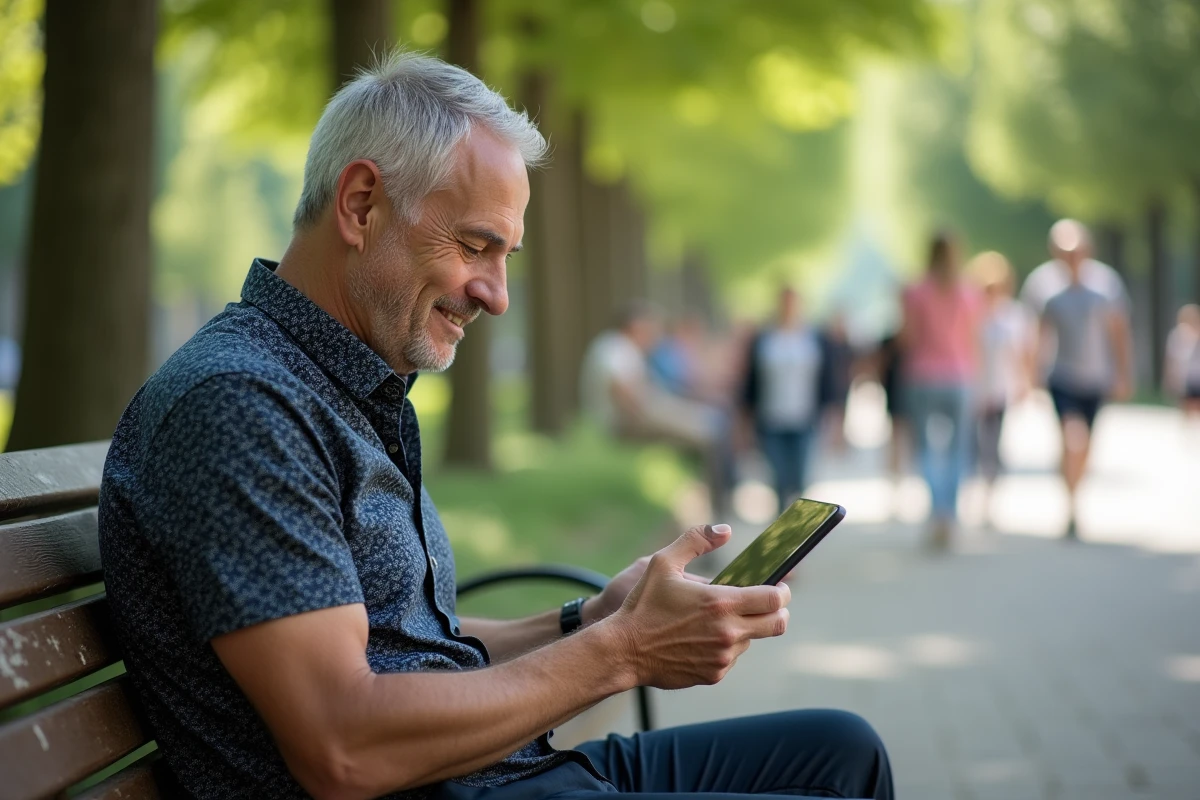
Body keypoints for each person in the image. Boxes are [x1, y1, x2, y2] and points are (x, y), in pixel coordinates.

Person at [98, 53, 892, 800]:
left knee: (842, 750)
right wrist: (624, 653)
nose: (496, 294)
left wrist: (590, 620)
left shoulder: (336, 383)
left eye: (507, 254)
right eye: (477, 246)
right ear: (360, 204)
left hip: (493, 774)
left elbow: (400, 643)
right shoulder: (240, 405)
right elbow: (343, 745)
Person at [582, 302, 732, 517]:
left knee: (709, 426)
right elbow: (624, 395)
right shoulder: (615, 347)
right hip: (626, 422)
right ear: (634, 326)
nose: (653, 336)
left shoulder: (621, 348)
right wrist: (661, 414)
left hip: (639, 415)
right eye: (649, 329)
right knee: (708, 432)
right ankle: (716, 508)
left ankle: (707, 503)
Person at [1035, 223, 1133, 539]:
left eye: (1076, 252)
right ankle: (1071, 507)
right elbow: (1039, 334)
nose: (1072, 258)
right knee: (1071, 437)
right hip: (1062, 377)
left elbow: (1119, 332)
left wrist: (1123, 373)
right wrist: (1032, 374)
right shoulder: (1044, 286)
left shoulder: (1107, 284)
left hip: (1096, 378)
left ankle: (1074, 494)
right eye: (1065, 253)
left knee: (1085, 445)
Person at [899, 232, 982, 550]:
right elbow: (973, 339)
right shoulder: (969, 292)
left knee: (926, 450)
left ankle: (937, 512)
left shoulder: (914, 291)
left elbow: (907, 338)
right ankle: (950, 513)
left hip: (921, 376)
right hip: (959, 377)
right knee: (957, 450)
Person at [741, 287, 831, 514]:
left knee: (800, 474)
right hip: (771, 417)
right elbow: (750, 380)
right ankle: (781, 516)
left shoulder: (814, 338)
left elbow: (828, 378)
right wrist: (745, 417)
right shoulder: (764, 339)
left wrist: (833, 414)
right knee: (778, 474)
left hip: (804, 416)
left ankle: (796, 518)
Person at [968, 251, 1032, 525]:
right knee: (972, 448)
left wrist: (1024, 384)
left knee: (993, 447)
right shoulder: (970, 313)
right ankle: (970, 496)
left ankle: (988, 502)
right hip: (971, 391)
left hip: (998, 391)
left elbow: (1022, 354)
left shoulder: (1014, 316)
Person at [1165, 304, 1200, 420]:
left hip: (1196, 376)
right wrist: (1170, 377)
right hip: (1185, 376)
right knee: (1186, 404)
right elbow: (1171, 357)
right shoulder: (1176, 335)